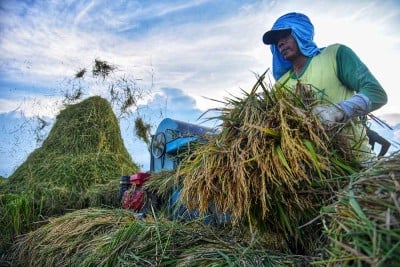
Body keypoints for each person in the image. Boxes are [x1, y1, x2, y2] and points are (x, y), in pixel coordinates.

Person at [262, 12, 388, 162]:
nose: (280, 43)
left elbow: (376, 93)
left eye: (285, 35)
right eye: (276, 41)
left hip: (357, 165)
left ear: (300, 32)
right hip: (312, 173)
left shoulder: (334, 55)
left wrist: (338, 111)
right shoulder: (280, 86)